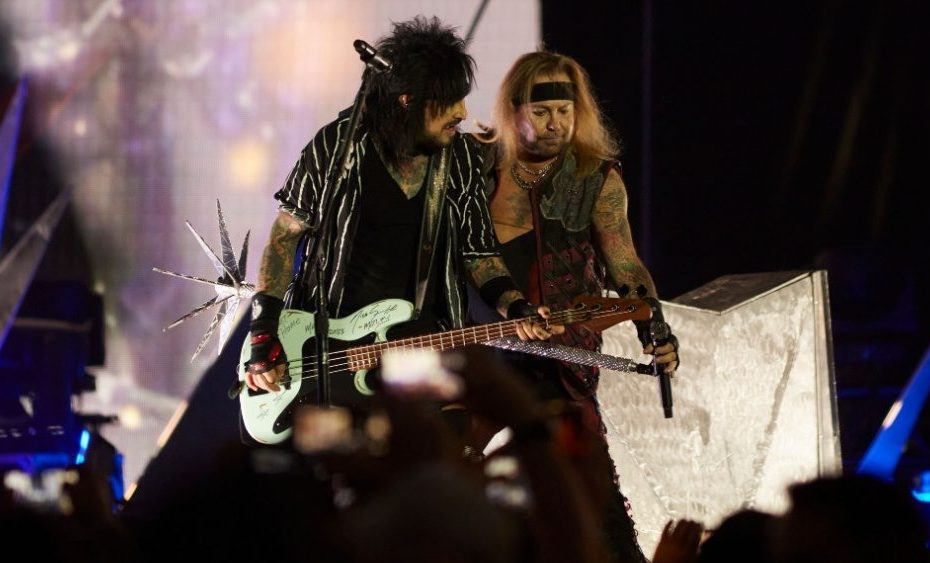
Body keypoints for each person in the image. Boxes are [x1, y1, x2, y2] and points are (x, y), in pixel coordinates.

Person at [243, 18, 557, 421]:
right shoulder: (336, 147)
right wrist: (264, 330)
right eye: (449, 101)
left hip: (424, 347)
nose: (462, 113)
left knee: (442, 448)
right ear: (408, 101)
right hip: (335, 351)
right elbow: (284, 238)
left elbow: (479, 253)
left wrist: (515, 306)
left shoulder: (459, 157)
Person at [470, 50, 681, 562]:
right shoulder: (475, 165)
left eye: (565, 111)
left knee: (588, 492)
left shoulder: (594, 177)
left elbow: (624, 263)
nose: (555, 124)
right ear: (514, 109)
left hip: (562, 358)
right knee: (449, 472)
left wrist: (655, 328)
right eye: (542, 111)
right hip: (476, 347)